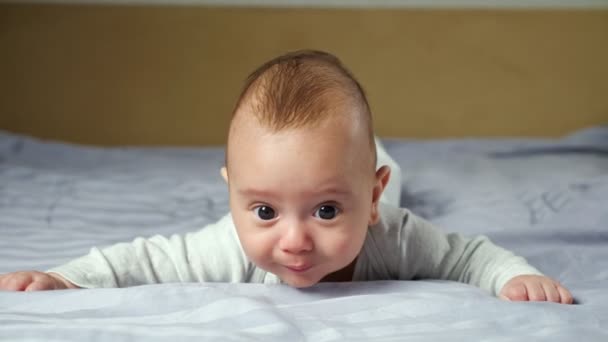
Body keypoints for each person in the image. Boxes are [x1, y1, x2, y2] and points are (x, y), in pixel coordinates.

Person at [0, 50, 573, 304]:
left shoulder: (393, 232)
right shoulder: (226, 244)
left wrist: (515, 279)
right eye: (264, 210)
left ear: (370, 198)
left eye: (326, 210)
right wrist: (63, 279)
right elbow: (141, 260)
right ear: (230, 193)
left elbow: (469, 256)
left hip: (379, 175)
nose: (294, 241)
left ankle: (384, 160)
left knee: (392, 170)